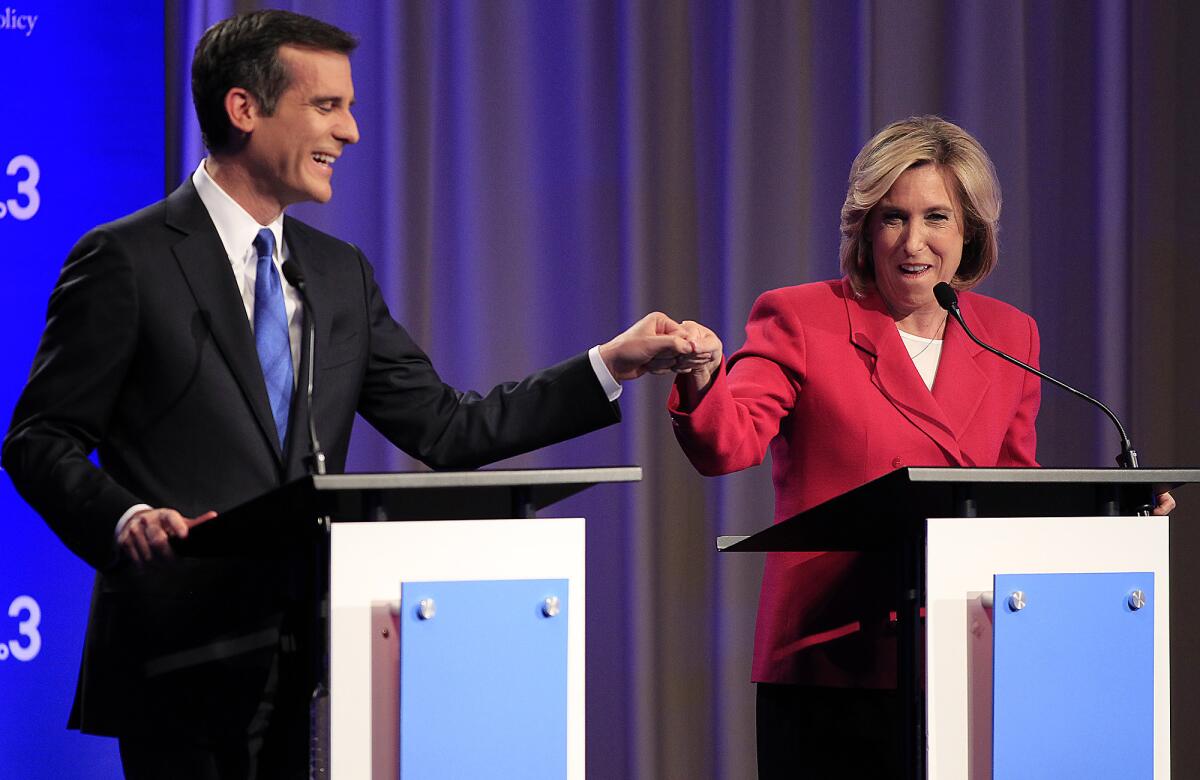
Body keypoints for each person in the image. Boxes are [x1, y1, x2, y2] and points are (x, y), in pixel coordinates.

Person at [1, 10, 708, 779]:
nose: (353, 132)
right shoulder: (125, 260)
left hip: (302, 653)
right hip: (179, 657)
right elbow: (39, 438)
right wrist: (126, 517)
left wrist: (610, 363)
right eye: (328, 106)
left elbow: (449, 427)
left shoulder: (337, 274)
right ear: (244, 109)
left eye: (353, 107)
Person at [666, 115, 1174, 776]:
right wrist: (702, 378)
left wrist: (1115, 517)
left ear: (969, 231)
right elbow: (726, 446)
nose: (914, 242)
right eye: (892, 218)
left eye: (936, 217)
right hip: (829, 666)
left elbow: (1014, 490)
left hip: (967, 655)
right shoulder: (800, 317)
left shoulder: (1009, 334)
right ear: (864, 229)